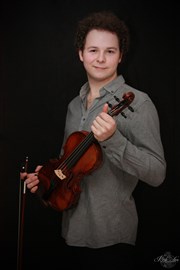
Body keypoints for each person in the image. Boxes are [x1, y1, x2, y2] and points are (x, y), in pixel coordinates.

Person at [21, 10, 166, 269]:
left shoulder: (138, 103)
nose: (100, 59)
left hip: (112, 238)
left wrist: (114, 140)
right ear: (81, 54)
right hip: (70, 233)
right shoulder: (74, 106)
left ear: (121, 56)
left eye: (110, 51)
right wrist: (44, 176)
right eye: (93, 50)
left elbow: (157, 173)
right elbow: (67, 164)